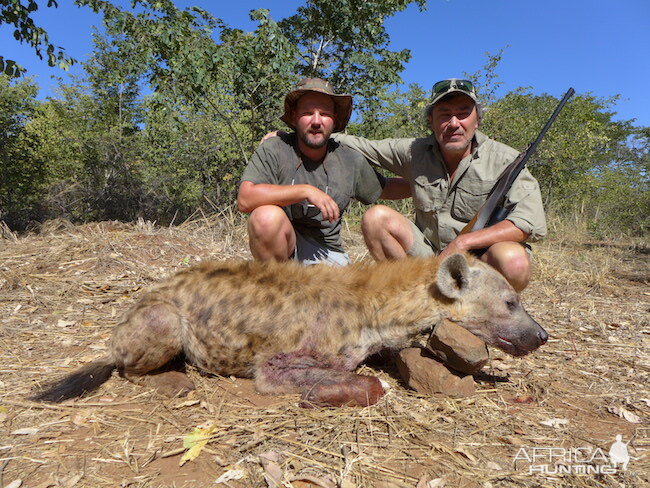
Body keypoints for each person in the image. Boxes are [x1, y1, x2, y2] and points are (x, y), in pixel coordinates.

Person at [331, 79, 547, 292]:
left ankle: (490, 312)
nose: (454, 123)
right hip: (429, 259)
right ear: (431, 121)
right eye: (444, 115)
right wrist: (312, 132)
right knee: (375, 218)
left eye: (463, 114)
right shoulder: (414, 151)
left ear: (477, 120)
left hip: (478, 261)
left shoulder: (505, 160)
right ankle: (413, 297)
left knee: (514, 261)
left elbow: (528, 224)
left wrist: (464, 243)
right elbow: (363, 147)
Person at [238, 77, 409, 266]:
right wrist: (305, 191)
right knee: (265, 217)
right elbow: (245, 199)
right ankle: (277, 286)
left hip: (328, 254)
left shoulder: (349, 159)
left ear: (334, 120)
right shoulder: (275, 148)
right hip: (285, 250)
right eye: (308, 113)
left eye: (324, 114)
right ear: (294, 117)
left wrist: (428, 183)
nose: (316, 121)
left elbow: (385, 189)